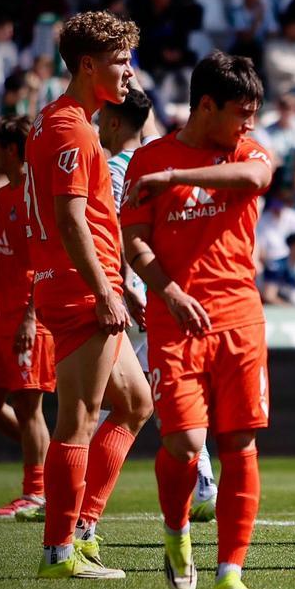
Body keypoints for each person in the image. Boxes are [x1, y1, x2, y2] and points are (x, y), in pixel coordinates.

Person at [121, 52, 277, 589]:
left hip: (240, 318)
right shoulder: (146, 160)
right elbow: (134, 242)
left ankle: (230, 572)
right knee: (186, 444)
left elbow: (257, 174)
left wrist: (177, 177)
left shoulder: (241, 151)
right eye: (242, 112)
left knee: (239, 444)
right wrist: (168, 291)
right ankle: (176, 530)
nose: (250, 124)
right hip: (175, 320)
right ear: (206, 106)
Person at [24, 11, 154, 580]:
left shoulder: (60, 121)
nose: (129, 72)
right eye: (120, 61)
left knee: (136, 404)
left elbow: (86, 219)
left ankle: (82, 528)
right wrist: (105, 289)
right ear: (87, 65)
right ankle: (60, 548)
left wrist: (120, 280)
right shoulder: (72, 129)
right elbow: (71, 220)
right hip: (81, 287)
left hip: (89, 281)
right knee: (77, 418)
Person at [99, 87, 219, 523]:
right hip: (160, 281)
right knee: (135, 392)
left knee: (132, 394)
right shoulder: (159, 158)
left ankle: (203, 482)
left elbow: (114, 228)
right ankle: (203, 482)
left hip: (131, 286)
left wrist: (120, 284)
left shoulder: (113, 169)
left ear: (113, 121)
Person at [0, 116, 54, 518]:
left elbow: (41, 261)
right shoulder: (2, 195)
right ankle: (42, 458)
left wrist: (29, 316)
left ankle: (38, 490)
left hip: (31, 317)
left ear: (10, 149)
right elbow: (4, 257)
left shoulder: (34, 195)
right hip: (2, 315)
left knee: (29, 408)